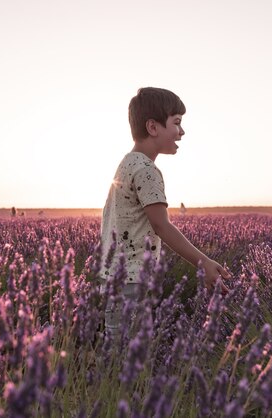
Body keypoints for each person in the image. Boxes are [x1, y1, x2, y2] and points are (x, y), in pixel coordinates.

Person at [99, 87, 231, 335]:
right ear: (153, 127)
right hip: (132, 279)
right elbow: (162, 225)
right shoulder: (147, 170)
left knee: (117, 351)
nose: (182, 132)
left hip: (116, 275)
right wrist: (203, 262)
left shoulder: (126, 163)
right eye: (177, 123)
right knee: (128, 356)